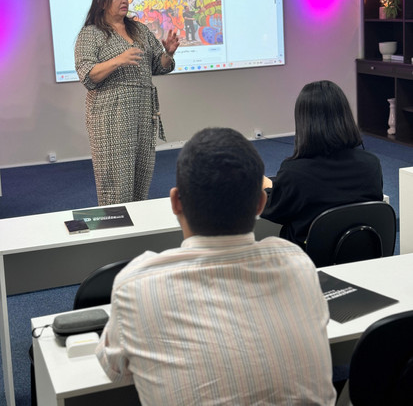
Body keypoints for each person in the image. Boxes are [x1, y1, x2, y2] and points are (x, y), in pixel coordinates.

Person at [96, 127, 337, 405]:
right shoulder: (298, 265)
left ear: (175, 202)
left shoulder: (135, 286)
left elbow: (114, 371)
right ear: (261, 203)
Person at [75, 0, 179, 205]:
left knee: (141, 178)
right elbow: (87, 75)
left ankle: (136, 224)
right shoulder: (91, 34)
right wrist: (118, 60)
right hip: (111, 114)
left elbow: (158, 66)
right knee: (116, 183)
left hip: (143, 111)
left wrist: (168, 53)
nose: (124, 1)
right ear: (102, 2)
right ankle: (114, 225)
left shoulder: (139, 30)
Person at [261, 80, 383, 249]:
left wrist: (264, 185)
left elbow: (273, 210)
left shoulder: (295, 172)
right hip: (363, 254)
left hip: (307, 260)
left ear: (303, 122)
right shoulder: (371, 164)